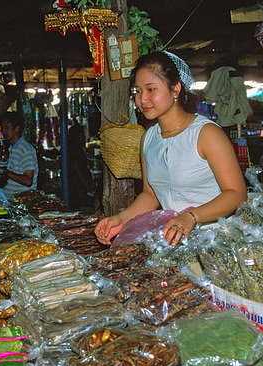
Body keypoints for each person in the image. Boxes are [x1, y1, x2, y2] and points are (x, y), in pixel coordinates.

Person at [95, 51, 247, 246]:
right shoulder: (149, 138)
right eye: (138, 91)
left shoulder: (206, 134)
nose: (142, 100)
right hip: (173, 241)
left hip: (214, 240)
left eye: (151, 89)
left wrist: (191, 216)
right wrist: (122, 218)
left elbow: (236, 194)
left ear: (175, 89)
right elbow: (151, 195)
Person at [0, 112, 39, 196]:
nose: (4, 131)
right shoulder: (12, 148)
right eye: (2, 128)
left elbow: (28, 181)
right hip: (7, 195)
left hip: (20, 199)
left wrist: (6, 172)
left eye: (7, 127)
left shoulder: (25, 150)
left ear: (17, 128)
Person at [67, 123, 94, 209]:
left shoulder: (73, 147)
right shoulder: (76, 148)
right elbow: (77, 168)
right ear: (78, 136)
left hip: (78, 186)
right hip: (78, 187)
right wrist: (86, 185)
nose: (84, 137)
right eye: (83, 135)